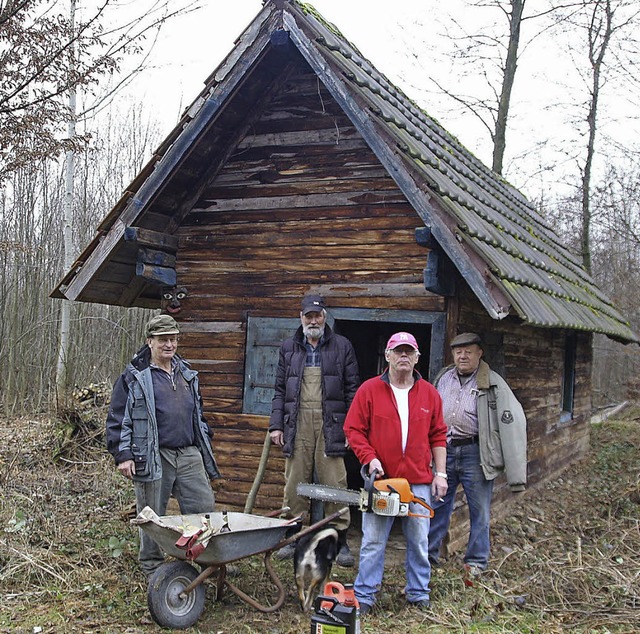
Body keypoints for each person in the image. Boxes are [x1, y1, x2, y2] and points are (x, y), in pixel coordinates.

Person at [106, 314, 220, 577]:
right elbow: (117, 417)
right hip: (154, 454)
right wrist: (123, 454)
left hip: (188, 452)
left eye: (173, 339)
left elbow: (197, 413)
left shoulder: (186, 372)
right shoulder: (135, 376)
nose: (169, 345)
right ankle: (152, 567)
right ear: (150, 342)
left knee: (202, 507)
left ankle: (207, 561)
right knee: (152, 515)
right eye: (163, 340)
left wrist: (204, 437)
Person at [344, 332, 448, 614]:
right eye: (397, 351)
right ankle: (365, 595)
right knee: (374, 541)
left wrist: (441, 473)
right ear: (387, 356)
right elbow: (353, 429)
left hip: (419, 480)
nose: (403, 356)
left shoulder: (429, 393)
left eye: (409, 352)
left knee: (418, 540)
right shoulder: (369, 390)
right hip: (382, 480)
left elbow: (438, 435)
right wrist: (370, 459)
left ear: (417, 358)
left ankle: (418, 592)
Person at [269, 294, 360, 567]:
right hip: (297, 424)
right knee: (295, 482)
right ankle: (293, 535)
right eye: (308, 316)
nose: (313, 320)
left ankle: (339, 541)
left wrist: (351, 428)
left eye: (317, 316)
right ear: (301, 318)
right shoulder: (289, 348)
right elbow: (280, 391)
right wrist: (276, 425)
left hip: (331, 424)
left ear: (325, 317)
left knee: (335, 483)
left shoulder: (342, 346)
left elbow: (353, 390)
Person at [428, 332, 527, 581]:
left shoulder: (492, 383)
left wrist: (516, 474)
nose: (463, 356)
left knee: (479, 511)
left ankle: (475, 561)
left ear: (479, 353)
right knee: (437, 506)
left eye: (468, 351)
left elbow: (512, 424)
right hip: (444, 450)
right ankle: (429, 556)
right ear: (452, 354)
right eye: (458, 351)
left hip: (475, 453)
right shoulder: (442, 378)